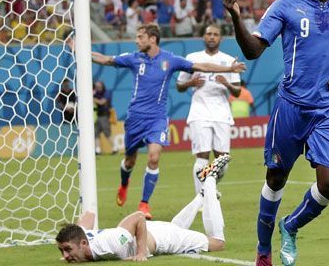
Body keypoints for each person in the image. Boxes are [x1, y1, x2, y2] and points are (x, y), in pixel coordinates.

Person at [223, 0, 329, 266]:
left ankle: (291, 225)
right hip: (292, 107)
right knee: (275, 178)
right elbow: (253, 51)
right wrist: (236, 18)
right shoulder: (286, 5)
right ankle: (263, 250)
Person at [91, 24, 246, 219]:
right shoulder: (133, 58)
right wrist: (82, 52)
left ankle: (144, 204)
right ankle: (124, 183)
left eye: (140, 37)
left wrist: (229, 68)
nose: (136, 41)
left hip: (157, 118)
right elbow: (106, 59)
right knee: (130, 161)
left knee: (154, 157)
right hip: (135, 118)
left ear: (152, 39)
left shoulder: (170, 59)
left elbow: (203, 66)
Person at [55, 155, 231, 262]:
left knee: (218, 244)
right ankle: (202, 195)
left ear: (83, 243)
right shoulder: (83, 237)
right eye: (63, 250)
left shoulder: (111, 244)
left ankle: (209, 180)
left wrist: (140, 254)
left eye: (68, 250)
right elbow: (89, 216)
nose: (65, 256)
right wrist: (73, 233)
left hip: (162, 239)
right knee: (175, 227)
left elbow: (139, 217)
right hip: (152, 234)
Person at [177, 24, 241, 196]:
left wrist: (226, 83)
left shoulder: (228, 60)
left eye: (215, 34)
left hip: (221, 112)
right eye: (209, 34)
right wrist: (191, 83)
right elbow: (179, 85)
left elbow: (237, 91)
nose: (212, 37)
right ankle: (202, 198)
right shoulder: (192, 58)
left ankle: (209, 186)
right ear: (203, 37)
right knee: (202, 157)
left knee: (223, 160)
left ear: (220, 38)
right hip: (199, 111)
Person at [93, 81, 116, 155]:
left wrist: (92, 98)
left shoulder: (106, 93)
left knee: (107, 133)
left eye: (99, 86)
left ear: (102, 86)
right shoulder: (95, 93)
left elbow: (102, 102)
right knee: (96, 134)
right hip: (97, 116)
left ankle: (115, 148)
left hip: (104, 116)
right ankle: (98, 150)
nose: (97, 87)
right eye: (96, 86)